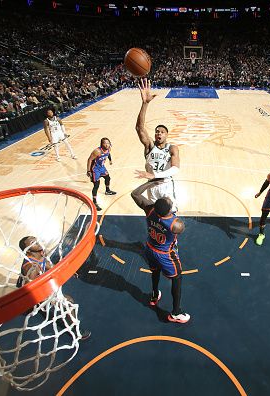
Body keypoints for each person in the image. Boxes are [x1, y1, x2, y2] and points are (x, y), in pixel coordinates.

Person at [131, 181, 190, 324]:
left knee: (155, 272)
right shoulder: (176, 224)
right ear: (169, 210)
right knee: (177, 278)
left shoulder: (149, 209)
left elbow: (135, 194)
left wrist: (150, 182)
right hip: (165, 255)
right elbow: (180, 229)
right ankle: (176, 313)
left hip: (150, 248)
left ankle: (154, 295)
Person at [16, 236, 90, 340]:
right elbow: (30, 282)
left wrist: (69, 270)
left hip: (36, 286)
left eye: (36, 239)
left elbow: (51, 266)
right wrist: (45, 296)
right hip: (31, 293)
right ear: (28, 250)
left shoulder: (39, 256)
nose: (37, 241)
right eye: (33, 242)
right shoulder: (30, 266)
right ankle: (76, 330)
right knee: (68, 302)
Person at [133, 78, 180, 212]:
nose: (159, 133)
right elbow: (139, 128)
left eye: (162, 132)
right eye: (156, 132)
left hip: (165, 185)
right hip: (152, 187)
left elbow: (176, 169)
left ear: (166, 135)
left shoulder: (172, 148)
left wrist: (155, 176)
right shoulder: (149, 146)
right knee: (152, 214)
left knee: (171, 213)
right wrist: (145, 103)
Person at [86, 137, 117, 211]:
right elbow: (89, 160)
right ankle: (94, 202)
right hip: (95, 169)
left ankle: (107, 191)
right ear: (101, 144)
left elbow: (108, 154)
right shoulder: (97, 151)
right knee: (96, 185)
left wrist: (110, 160)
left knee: (108, 178)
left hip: (102, 167)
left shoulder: (109, 148)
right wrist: (88, 171)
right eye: (105, 143)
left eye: (108, 143)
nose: (107, 145)